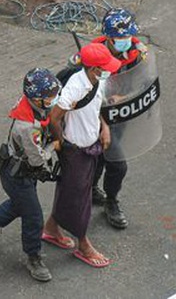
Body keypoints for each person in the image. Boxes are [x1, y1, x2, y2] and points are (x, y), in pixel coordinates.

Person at [0, 68, 62, 282]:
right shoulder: (27, 127)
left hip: (19, 169)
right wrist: (54, 146)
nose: (54, 99)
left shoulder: (34, 106)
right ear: (36, 99)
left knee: (19, 205)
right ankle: (33, 257)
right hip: (17, 173)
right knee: (34, 215)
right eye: (50, 97)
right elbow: (37, 159)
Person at [42, 43, 120, 268]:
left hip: (91, 143)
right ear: (94, 68)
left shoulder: (98, 81)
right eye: (104, 67)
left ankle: (51, 228)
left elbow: (97, 108)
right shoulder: (75, 87)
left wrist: (103, 127)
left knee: (71, 190)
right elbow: (55, 118)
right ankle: (83, 244)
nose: (107, 70)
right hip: (75, 149)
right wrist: (60, 143)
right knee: (80, 198)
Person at [90, 8, 147, 229]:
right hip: (97, 116)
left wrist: (122, 97)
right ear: (108, 36)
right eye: (120, 37)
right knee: (116, 164)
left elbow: (144, 82)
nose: (125, 41)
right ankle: (109, 200)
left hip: (121, 113)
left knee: (104, 157)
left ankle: (95, 190)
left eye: (127, 36)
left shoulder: (136, 52)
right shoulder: (92, 52)